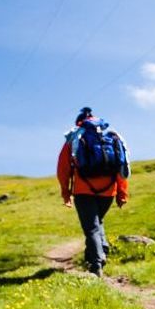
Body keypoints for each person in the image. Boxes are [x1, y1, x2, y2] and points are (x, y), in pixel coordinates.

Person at [57, 107, 129, 277]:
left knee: (91, 227)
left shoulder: (74, 138)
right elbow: (121, 167)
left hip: (84, 191)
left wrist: (66, 193)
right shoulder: (112, 136)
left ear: (79, 122)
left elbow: (63, 169)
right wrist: (121, 193)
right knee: (97, 222)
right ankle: (99, 251)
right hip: (108, 191)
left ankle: (97, 263)